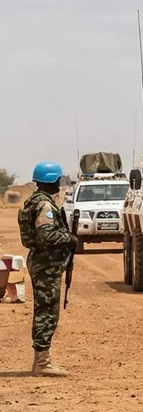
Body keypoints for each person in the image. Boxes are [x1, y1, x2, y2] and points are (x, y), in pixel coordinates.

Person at [17, 161, 81, 376]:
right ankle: (42, 362)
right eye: (58, 180)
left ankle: (41, 360)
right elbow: (47, 235)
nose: (59, 185)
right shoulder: (44, 205)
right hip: (45, 264)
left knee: (46, 310)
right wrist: (69, 238)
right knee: (46, 312)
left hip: (42, 262)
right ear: (51, 181)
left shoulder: (33, 202)